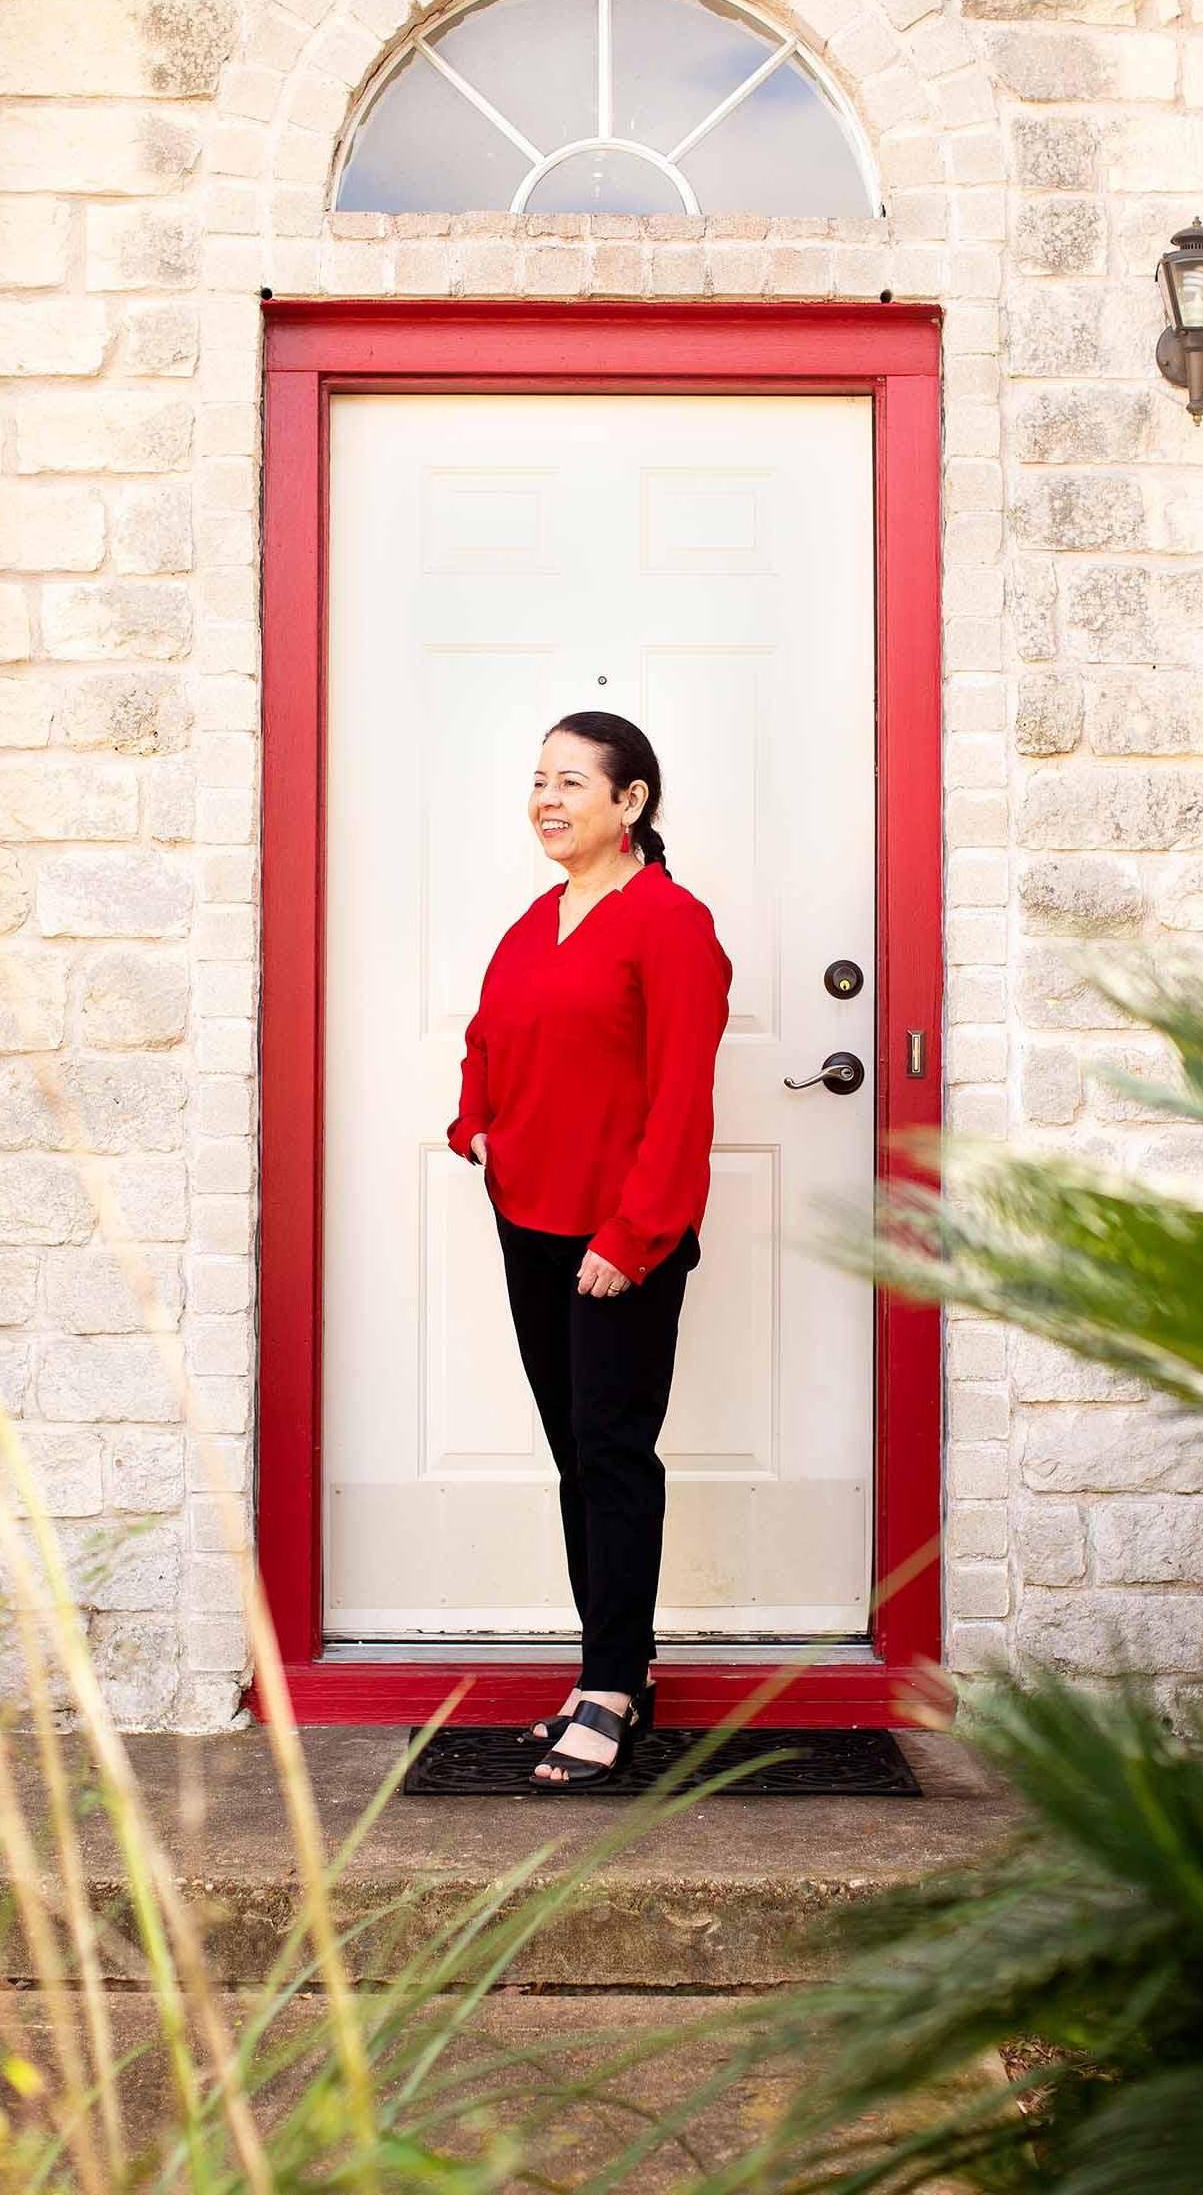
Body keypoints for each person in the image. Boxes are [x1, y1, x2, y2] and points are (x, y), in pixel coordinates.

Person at [446, 713, 733, 1791]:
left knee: (613, 1457)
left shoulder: (670, 924)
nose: (548, 800)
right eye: (537, 781)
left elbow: (681, 1102)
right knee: (577, 1455)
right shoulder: (538, 918)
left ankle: (615, 1685)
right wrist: (474, 1119)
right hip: (531, 1221)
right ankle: (599, 1673)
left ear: (632, 802)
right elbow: (490, 1033)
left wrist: (634, 1236)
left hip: (621, 1239)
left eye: (572, 781)